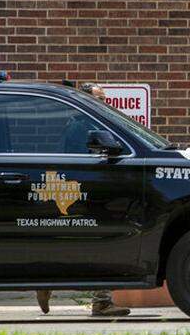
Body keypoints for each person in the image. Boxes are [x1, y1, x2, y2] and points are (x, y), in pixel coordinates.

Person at [36, 82, 131, 318]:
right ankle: (100, 301)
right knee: (104, 245)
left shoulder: (81, 124)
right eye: (99, 98)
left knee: (84, 244)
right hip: (89, 194)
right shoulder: (84, 126)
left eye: (105, 98)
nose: (104, 103)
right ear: (87, 100)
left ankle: (48, 280)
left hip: (86, 192)